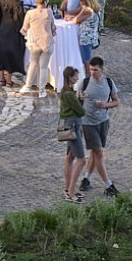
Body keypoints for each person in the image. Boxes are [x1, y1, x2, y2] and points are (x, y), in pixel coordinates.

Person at [82, 56, 120, 196]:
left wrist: (105, 105)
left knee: (94, 152)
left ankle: (86, 178)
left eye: (95, 70)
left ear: (102, 69)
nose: (92, 72)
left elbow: (116, 101)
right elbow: (76, 101)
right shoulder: (85, 83)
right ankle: (108, 185)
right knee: (99, 152)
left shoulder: (109, 83)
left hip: (103, 121)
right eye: (91, 69)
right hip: (88, 123)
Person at [59, 66, 88, 202]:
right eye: (75, 76)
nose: (77, 78)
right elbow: (81, 111)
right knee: (81, 160)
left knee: (70, 158)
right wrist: (81, 100)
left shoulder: (66, 91)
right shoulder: (70, 94)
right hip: (73, 127)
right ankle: (71, 192)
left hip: (68, 125)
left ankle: (68, 188)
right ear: (70, 77)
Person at [22, 0, 56, 96]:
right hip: (47, 42)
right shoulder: (49, 12)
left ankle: (27, 86)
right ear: (46, 2)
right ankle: (42, 90)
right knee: (44, 67)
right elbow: (53, 28)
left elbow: (24, 28)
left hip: (35, 43)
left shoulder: (30, 13)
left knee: (33, 64)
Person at [0, 0, 27, 90]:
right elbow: (20, 19)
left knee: (3, 52)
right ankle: (8, 81)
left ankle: (1, 79)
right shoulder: (17, 2)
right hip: (13, 29)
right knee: (10, 53)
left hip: (3, 27)